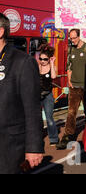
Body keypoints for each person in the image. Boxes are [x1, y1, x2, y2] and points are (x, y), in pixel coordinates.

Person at [0, 13, 44, 173]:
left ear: (1, 32)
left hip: (9, 146)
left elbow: (32, 108)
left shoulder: (22, 62)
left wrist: (34, 147)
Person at [57, 28, 86, 150]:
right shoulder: (70, 49)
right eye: (71, 38)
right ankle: (67, 136)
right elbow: (69, 67)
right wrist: (69, 81)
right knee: (71, 112)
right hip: (74, 87)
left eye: (74, 38)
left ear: (79, 37)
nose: (72, 40)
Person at [37, 44, 59, 146]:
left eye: (45, 59)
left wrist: (52, 62)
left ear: (49, 59)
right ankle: (37, 138)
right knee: (37, 118)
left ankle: (54, 138)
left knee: (49, 118)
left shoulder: (52, 67)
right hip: (37, 95)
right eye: (40, 58)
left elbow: (54, 76)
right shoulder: (37, 66)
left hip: (48, 95)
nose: (42, 61)